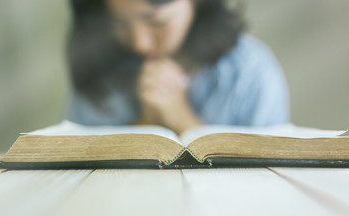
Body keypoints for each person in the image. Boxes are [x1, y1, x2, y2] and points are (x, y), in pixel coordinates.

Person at [66, 0, 290, 134]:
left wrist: (181, 119)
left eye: (157, 22)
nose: (140, 42)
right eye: (119, 24)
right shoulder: (98, 69)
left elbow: (269, 177)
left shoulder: (249, 70)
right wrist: (147, 121)